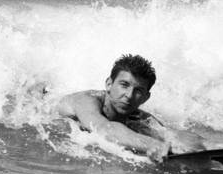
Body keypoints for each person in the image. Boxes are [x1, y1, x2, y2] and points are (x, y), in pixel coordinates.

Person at [56, 54, 205, 162]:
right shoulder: (85, 100)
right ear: (109, 84)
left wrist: (206, 147)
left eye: (138, 91)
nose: (129, 95)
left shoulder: (140, 117)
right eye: (124, 85)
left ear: (146, 97)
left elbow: (168, 134)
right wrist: (152, 144)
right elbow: (103, 128)